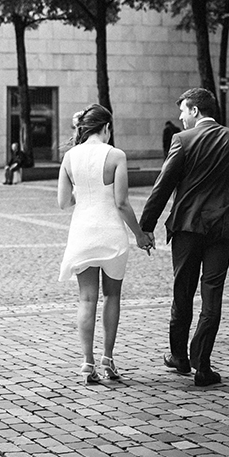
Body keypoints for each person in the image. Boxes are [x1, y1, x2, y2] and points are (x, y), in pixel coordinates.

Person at [139, 87, 229, 387]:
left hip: (187, 229)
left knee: (183, 292)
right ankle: (203, 365)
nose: (180, 117)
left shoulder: (182, 140)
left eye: (183, 111)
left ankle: (179, 357)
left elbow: (163, 186)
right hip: (221, 231)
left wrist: (146, 226)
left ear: (195, 111)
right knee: (212, 297)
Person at [58, 104, 153, 385]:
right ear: (107, 128)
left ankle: (87, 362)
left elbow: (64, 202)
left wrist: (83, 197)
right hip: (111, 233)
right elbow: (122, 203)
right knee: (112, 297)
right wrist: (140, 234)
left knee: (86, 299)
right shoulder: (116, 155)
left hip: (82, 233)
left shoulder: (69, 157)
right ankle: (108, 358)